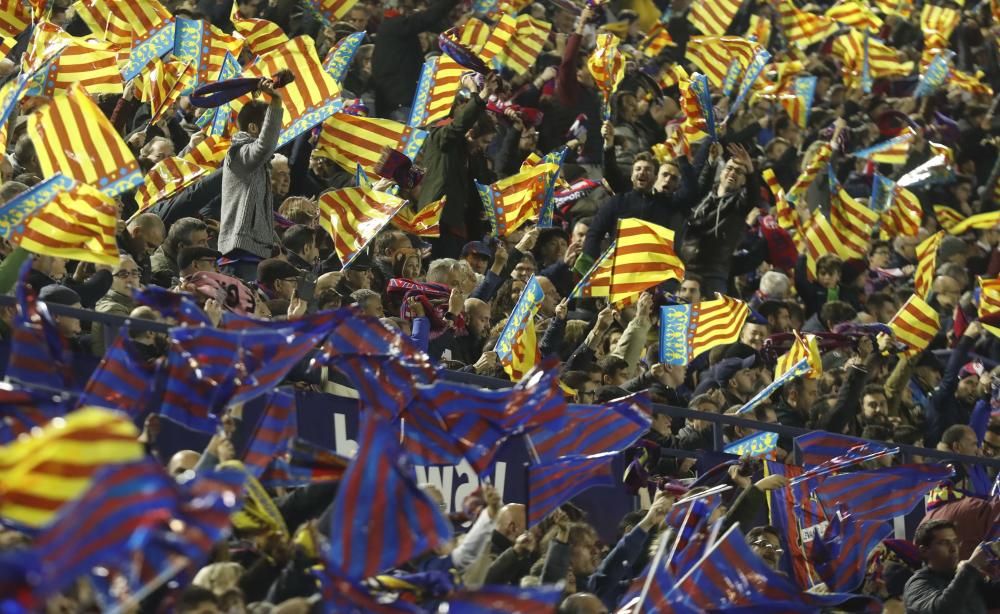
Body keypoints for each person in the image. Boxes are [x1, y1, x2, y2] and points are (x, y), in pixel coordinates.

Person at [218, 79, 284, 281]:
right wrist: (276, 102)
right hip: (239, 253)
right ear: (254, 128)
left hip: (254, 250)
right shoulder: (238, 154)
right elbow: (264, 147)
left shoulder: (256, 163)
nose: (274, 133)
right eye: (268, 125)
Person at [902, 520, 1000, 614]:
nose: (953, 549)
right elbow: (943, 610)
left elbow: (994, 597)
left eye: (955, 541)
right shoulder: (916, 584)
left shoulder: (966, 576)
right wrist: (971, 565)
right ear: (924, 551)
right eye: (944, 543)